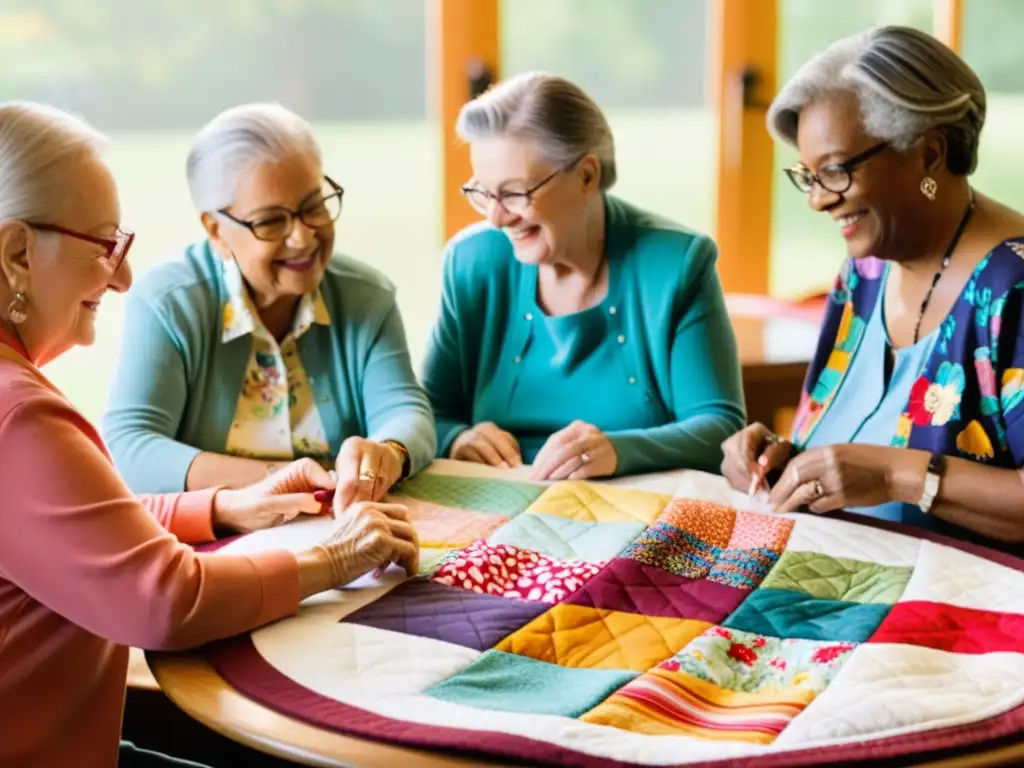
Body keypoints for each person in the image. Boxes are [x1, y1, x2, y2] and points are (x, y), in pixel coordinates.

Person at [0, 102, 419, 768]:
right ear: (18, 253)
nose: (124, 274)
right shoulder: (18, 417)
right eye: (104, 244)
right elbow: (166, 601)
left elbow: (56, 531)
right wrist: (336, 557)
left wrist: (218, 508)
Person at [720, 26, 1024, 549]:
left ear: (929, 155)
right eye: (808, 176)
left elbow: (884, 471)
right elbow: (853, 446)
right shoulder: (864, 273)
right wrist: (787, 459)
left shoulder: (1012, 289)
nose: (818, 200)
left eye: (836, 171)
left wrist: (893, 475)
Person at [101, 103, 435, 508]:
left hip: (338, 525)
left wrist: (388, 453)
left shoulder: (367, 297)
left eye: (314, 206)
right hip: (213, 540)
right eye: (271, 221)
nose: (303, 237)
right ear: (217, 231)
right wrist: (279, 481)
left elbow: (406, 411)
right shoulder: (169, 302)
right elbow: (131, 445)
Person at [421, 72, 745, 481]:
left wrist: (619, 450)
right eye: (483, 192)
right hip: (498, 504)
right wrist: (456, 437)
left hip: (640, 509)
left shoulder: (676, 264)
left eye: (515, 193)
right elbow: (426, 410)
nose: (497, 217)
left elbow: (720, 427)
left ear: (587, 177)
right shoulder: (472, 262)